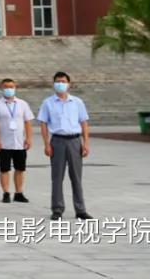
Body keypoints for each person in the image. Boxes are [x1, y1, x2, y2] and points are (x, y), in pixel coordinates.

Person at [37, 71, 93, 221]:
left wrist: (86, 143)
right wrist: (46, 144)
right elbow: (43, 124)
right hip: (57, 141)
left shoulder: (77, 102)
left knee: (76, 177)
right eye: (57, 81)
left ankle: (80, 210)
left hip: (74, 141)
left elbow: (84, 123)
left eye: (63, 81)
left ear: (69, 84)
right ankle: (57, 209)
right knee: (57, 177)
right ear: (53, 84)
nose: (60, 84)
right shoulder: (48, 103)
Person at [0, 78, 34, 203]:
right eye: (6, 87)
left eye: (11, 87)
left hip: (20, 143)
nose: (9, 89)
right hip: (4, 143)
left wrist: (29, 138)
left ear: (15, 87)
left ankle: (19, 192)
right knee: (4, 169)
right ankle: (6, 192)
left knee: (20, 168)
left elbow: (28, 121)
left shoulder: (22, 104)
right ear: (2, 88)